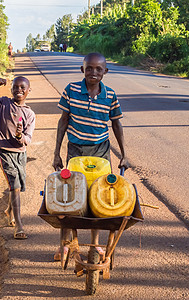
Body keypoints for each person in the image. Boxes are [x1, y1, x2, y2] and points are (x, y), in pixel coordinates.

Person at [52, 52, 130, 261]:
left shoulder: (110, 95)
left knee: (99, 196)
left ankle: (95, 245)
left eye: (98, 69)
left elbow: (116, 124)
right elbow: (63, 121)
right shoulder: (71, 90)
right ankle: (64, 244)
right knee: (68, 197)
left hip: (100, 152)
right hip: (76, 150)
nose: (93, 73)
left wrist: (124, 155)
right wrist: (56, 153)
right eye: (89, 68)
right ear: (82, 70)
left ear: (106, 71)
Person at [0, 76, 35, 240]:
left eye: (23, 88)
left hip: (21, 153)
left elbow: (28, 138)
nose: (19, 90)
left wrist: (20, 137)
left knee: (17, 185)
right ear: (11, 90)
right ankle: (18, 224)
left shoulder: (30, 114)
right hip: (5, 151)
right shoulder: (3, 103)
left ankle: (9, 210)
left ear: (28, 90)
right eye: (15, 87)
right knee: (15, 185)